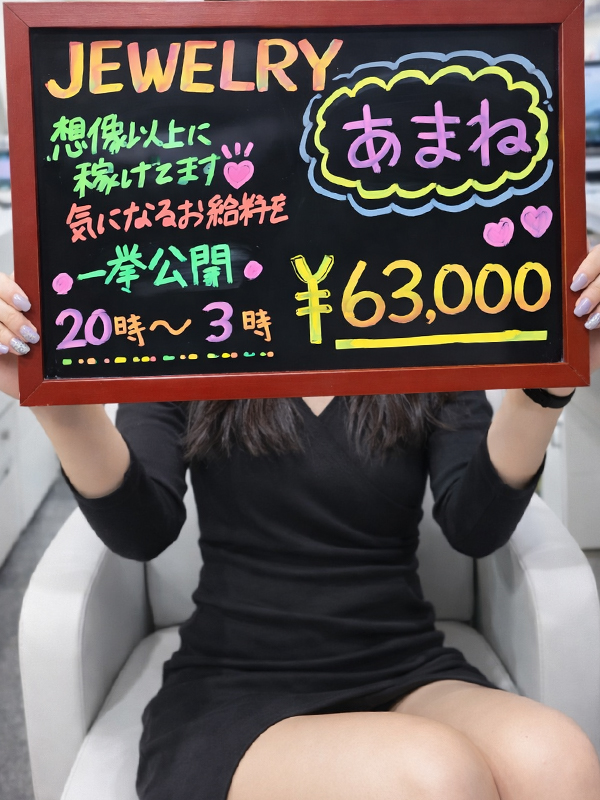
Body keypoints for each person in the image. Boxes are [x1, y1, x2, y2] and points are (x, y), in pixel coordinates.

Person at [2, 248, 600, 800]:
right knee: (435, 775)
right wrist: (60, 407)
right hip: (236, 684)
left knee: (560, 760)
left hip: (402, 664)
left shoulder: (420, 315)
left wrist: (545, 387)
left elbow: (475, 528)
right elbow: (142, 530)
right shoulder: (192, 319)